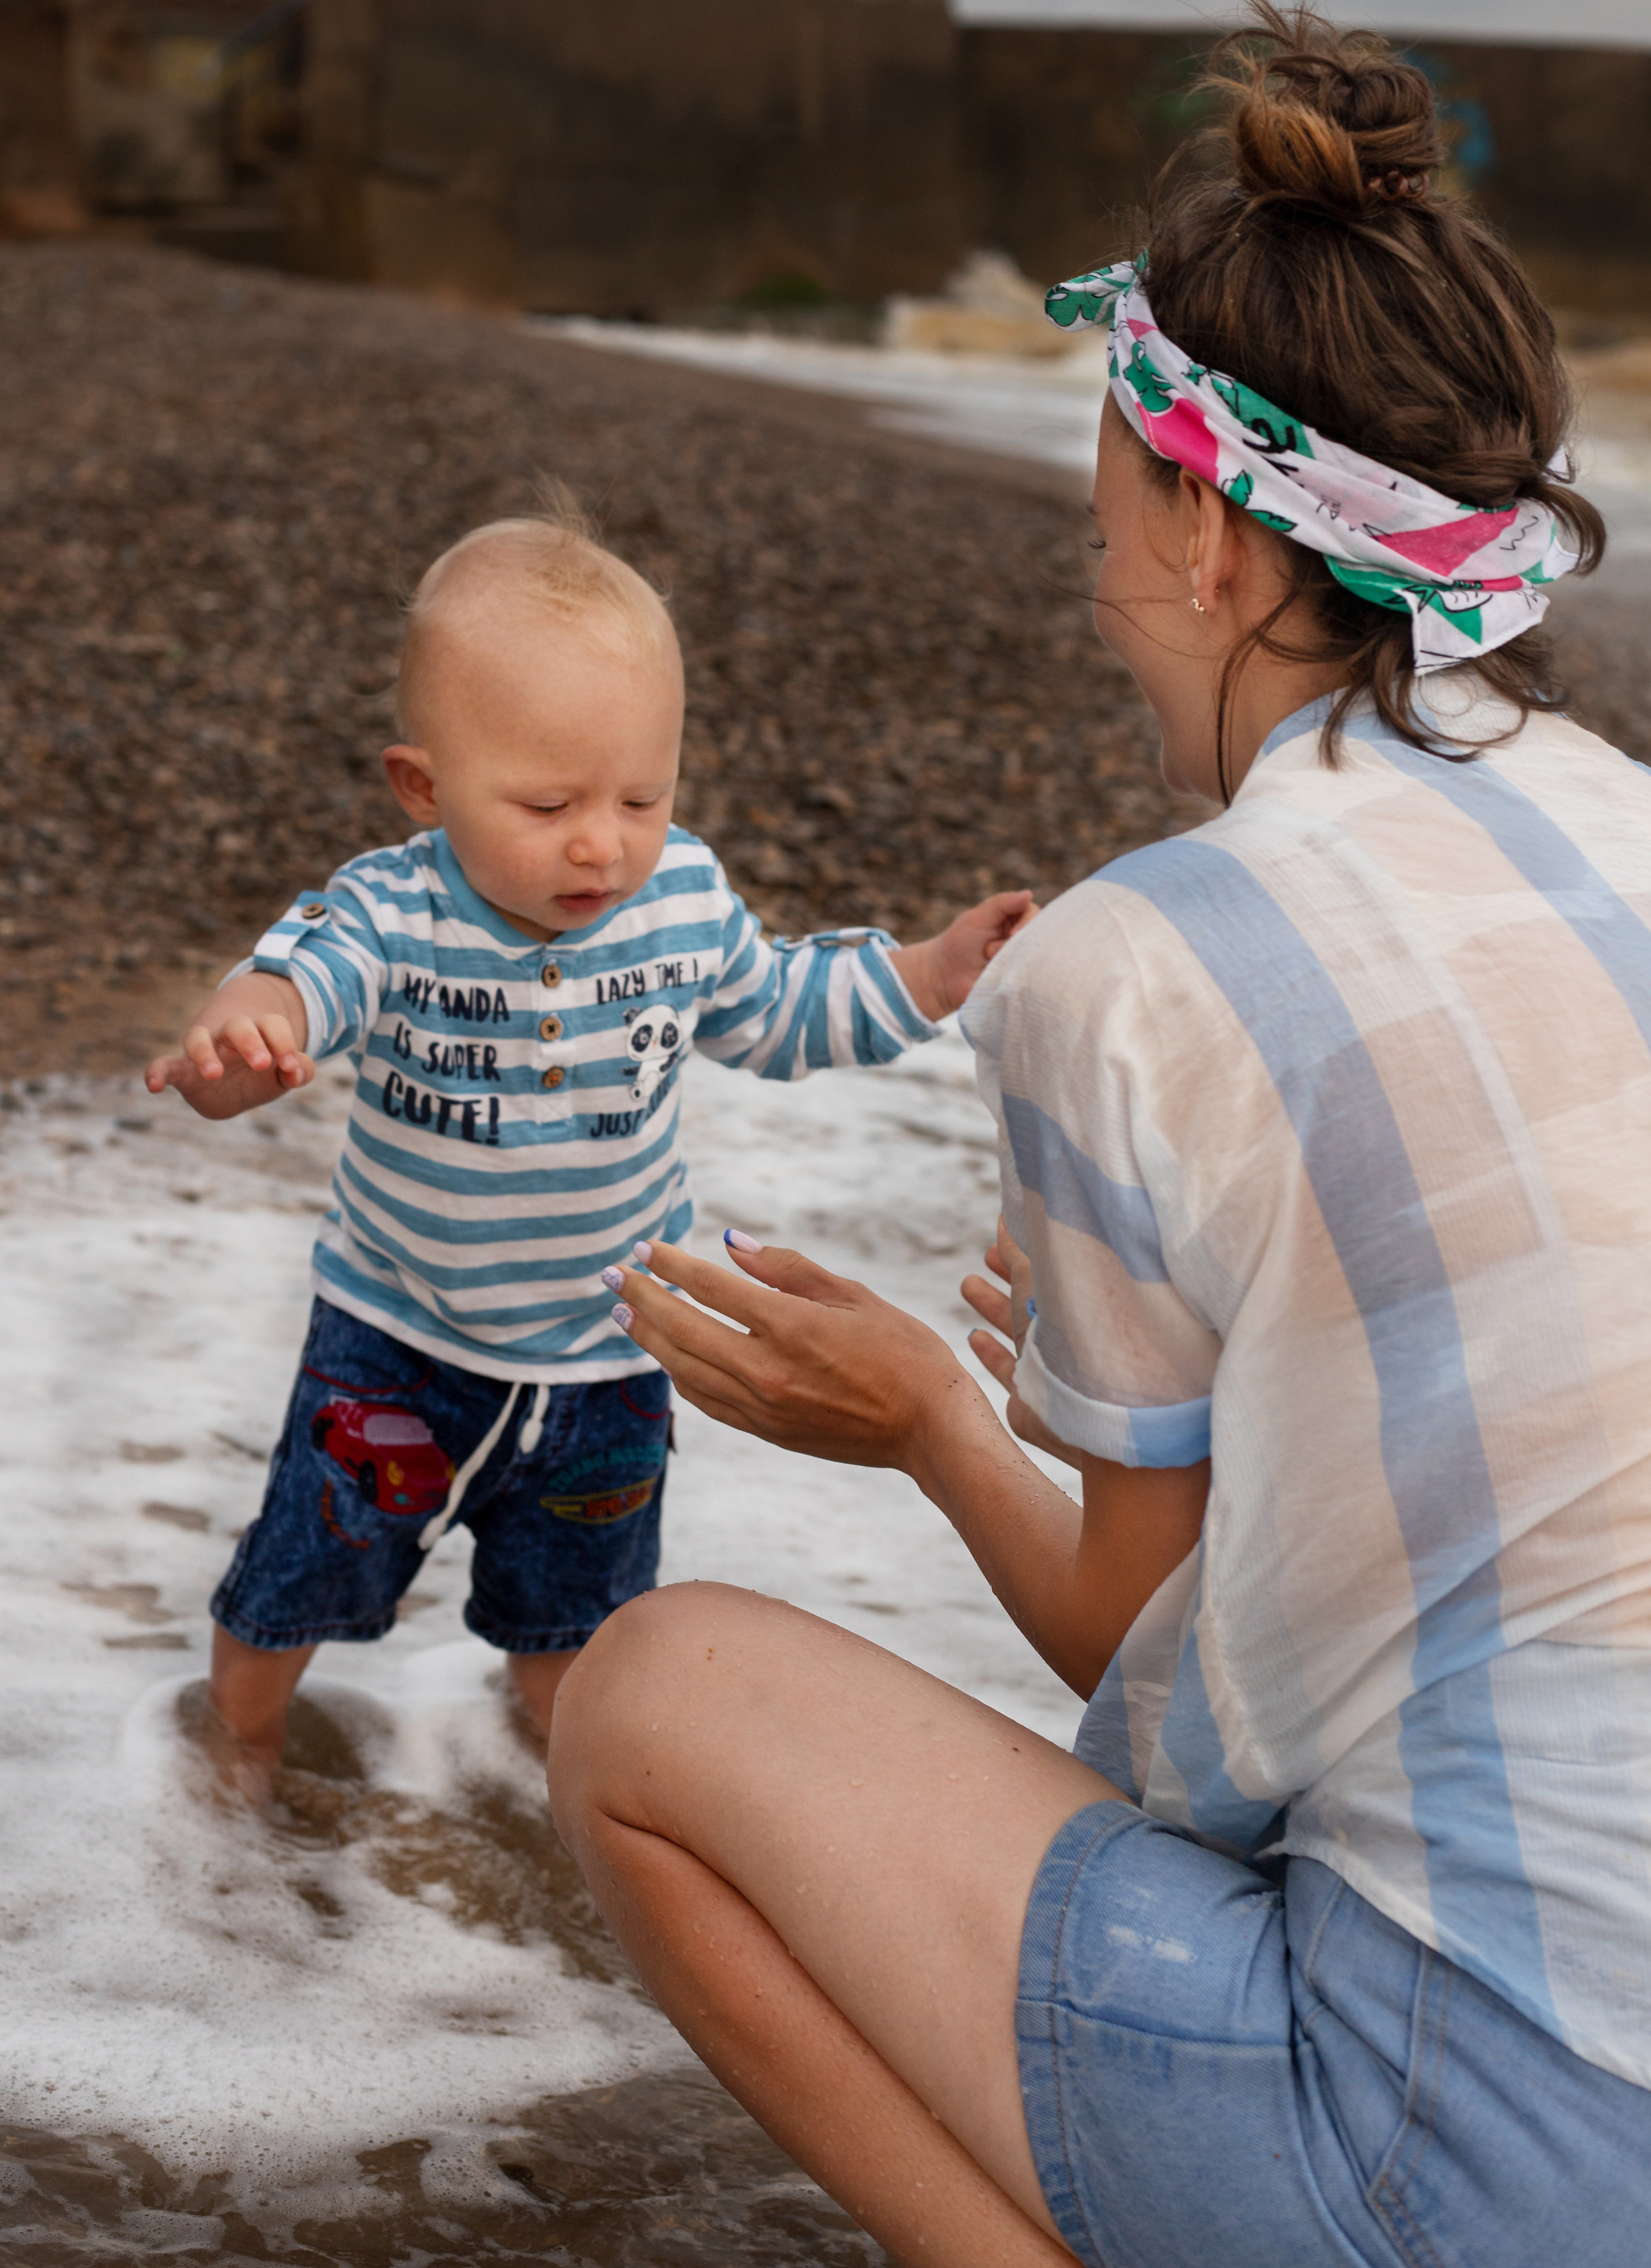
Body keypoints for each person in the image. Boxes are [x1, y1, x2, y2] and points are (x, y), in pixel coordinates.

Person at [549, 5, 1651, 2268]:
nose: (1093, 562)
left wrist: (921, 1424)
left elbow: (1148, 1650)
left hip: (1501, 2234)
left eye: (1107, 500)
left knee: (649, 1702)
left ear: (1204, 530)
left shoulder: (1134, 965)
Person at [143, 514, 1034, 1781]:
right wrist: (244, 1043)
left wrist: (926, 973)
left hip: (609, 1350)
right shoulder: (396, 912)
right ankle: (237, 1747)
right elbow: (300, 985)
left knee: (580, 1621)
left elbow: (774, 1008)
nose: (601, 841)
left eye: (642, 796)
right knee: (306, 1567)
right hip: (400, 1342)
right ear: (425, 786)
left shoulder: (680, 897)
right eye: (549, 802)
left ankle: (565, 1799)